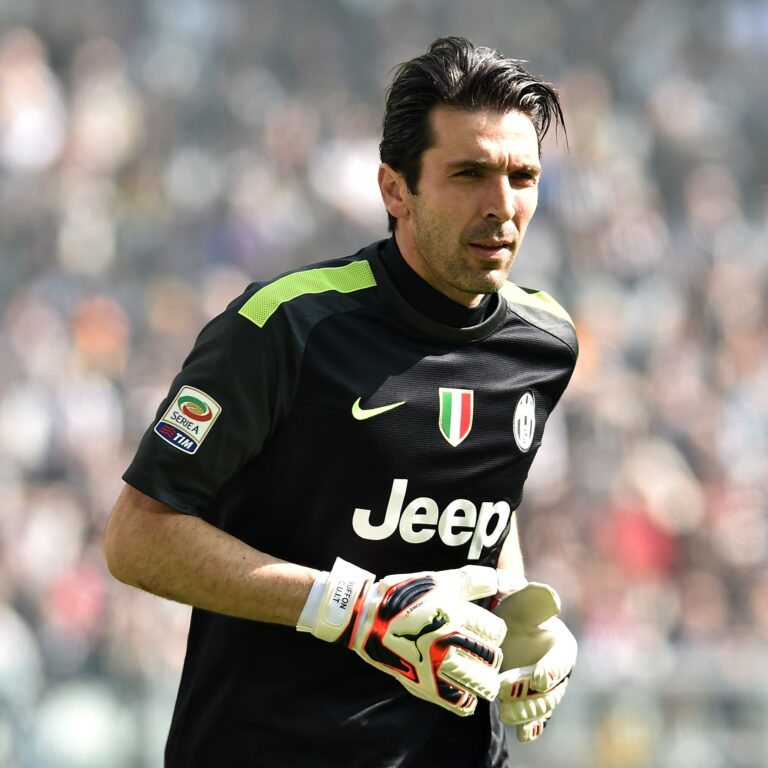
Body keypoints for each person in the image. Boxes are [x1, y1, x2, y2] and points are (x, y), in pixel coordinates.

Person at [104, 36, 579, 768]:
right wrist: (351, 611)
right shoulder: (285, 327)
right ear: (395, 190)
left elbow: (484, 499)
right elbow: (137, 536)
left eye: (523, 176)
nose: (502, 206)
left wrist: (517, 611)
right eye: (469, 174)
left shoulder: (545, 341)